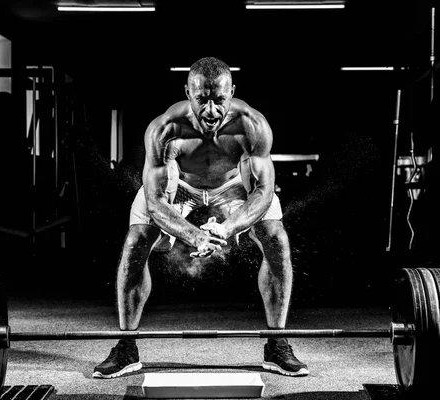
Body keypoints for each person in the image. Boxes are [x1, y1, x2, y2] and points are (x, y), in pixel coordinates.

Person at [93, 57, 308, 378]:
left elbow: (263, 191)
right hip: (179, 185)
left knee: (276, 238)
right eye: (201, 100)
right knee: (136, 241)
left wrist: (226, 228)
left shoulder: (252, 126)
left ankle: (276, 343)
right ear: (187, 92)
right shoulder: (165, 130)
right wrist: (195, 235)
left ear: (232, 92)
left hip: (233, 185)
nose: (210, 111)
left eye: (219, 100)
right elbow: (154, 201)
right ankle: (127, 345)